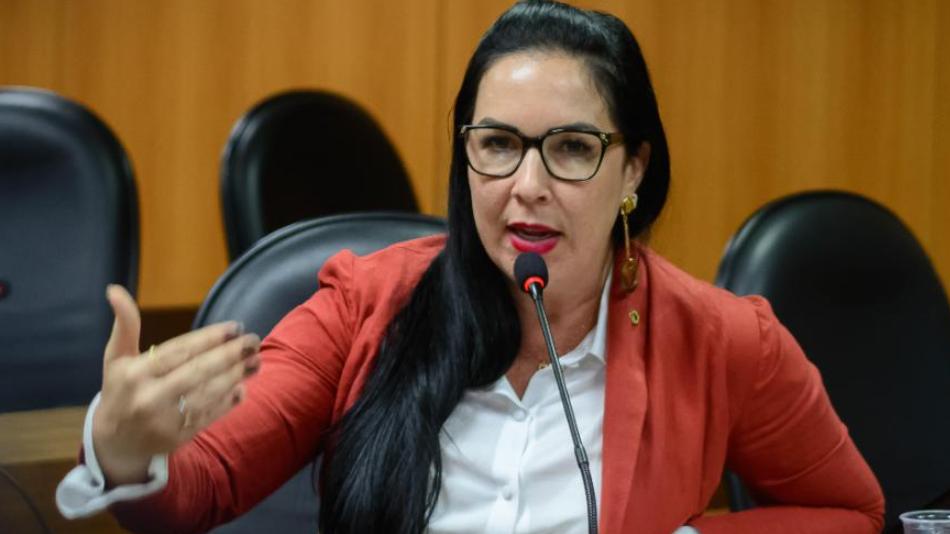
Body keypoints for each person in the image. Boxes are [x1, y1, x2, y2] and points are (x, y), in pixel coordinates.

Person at [56, 1, 885, 533]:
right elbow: (200, 485)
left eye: (571, 149)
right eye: (497, 144)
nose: (527, 186)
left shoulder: (724, 340)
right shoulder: (365, 305)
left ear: (632, 168)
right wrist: (123, 448)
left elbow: (851, 511)